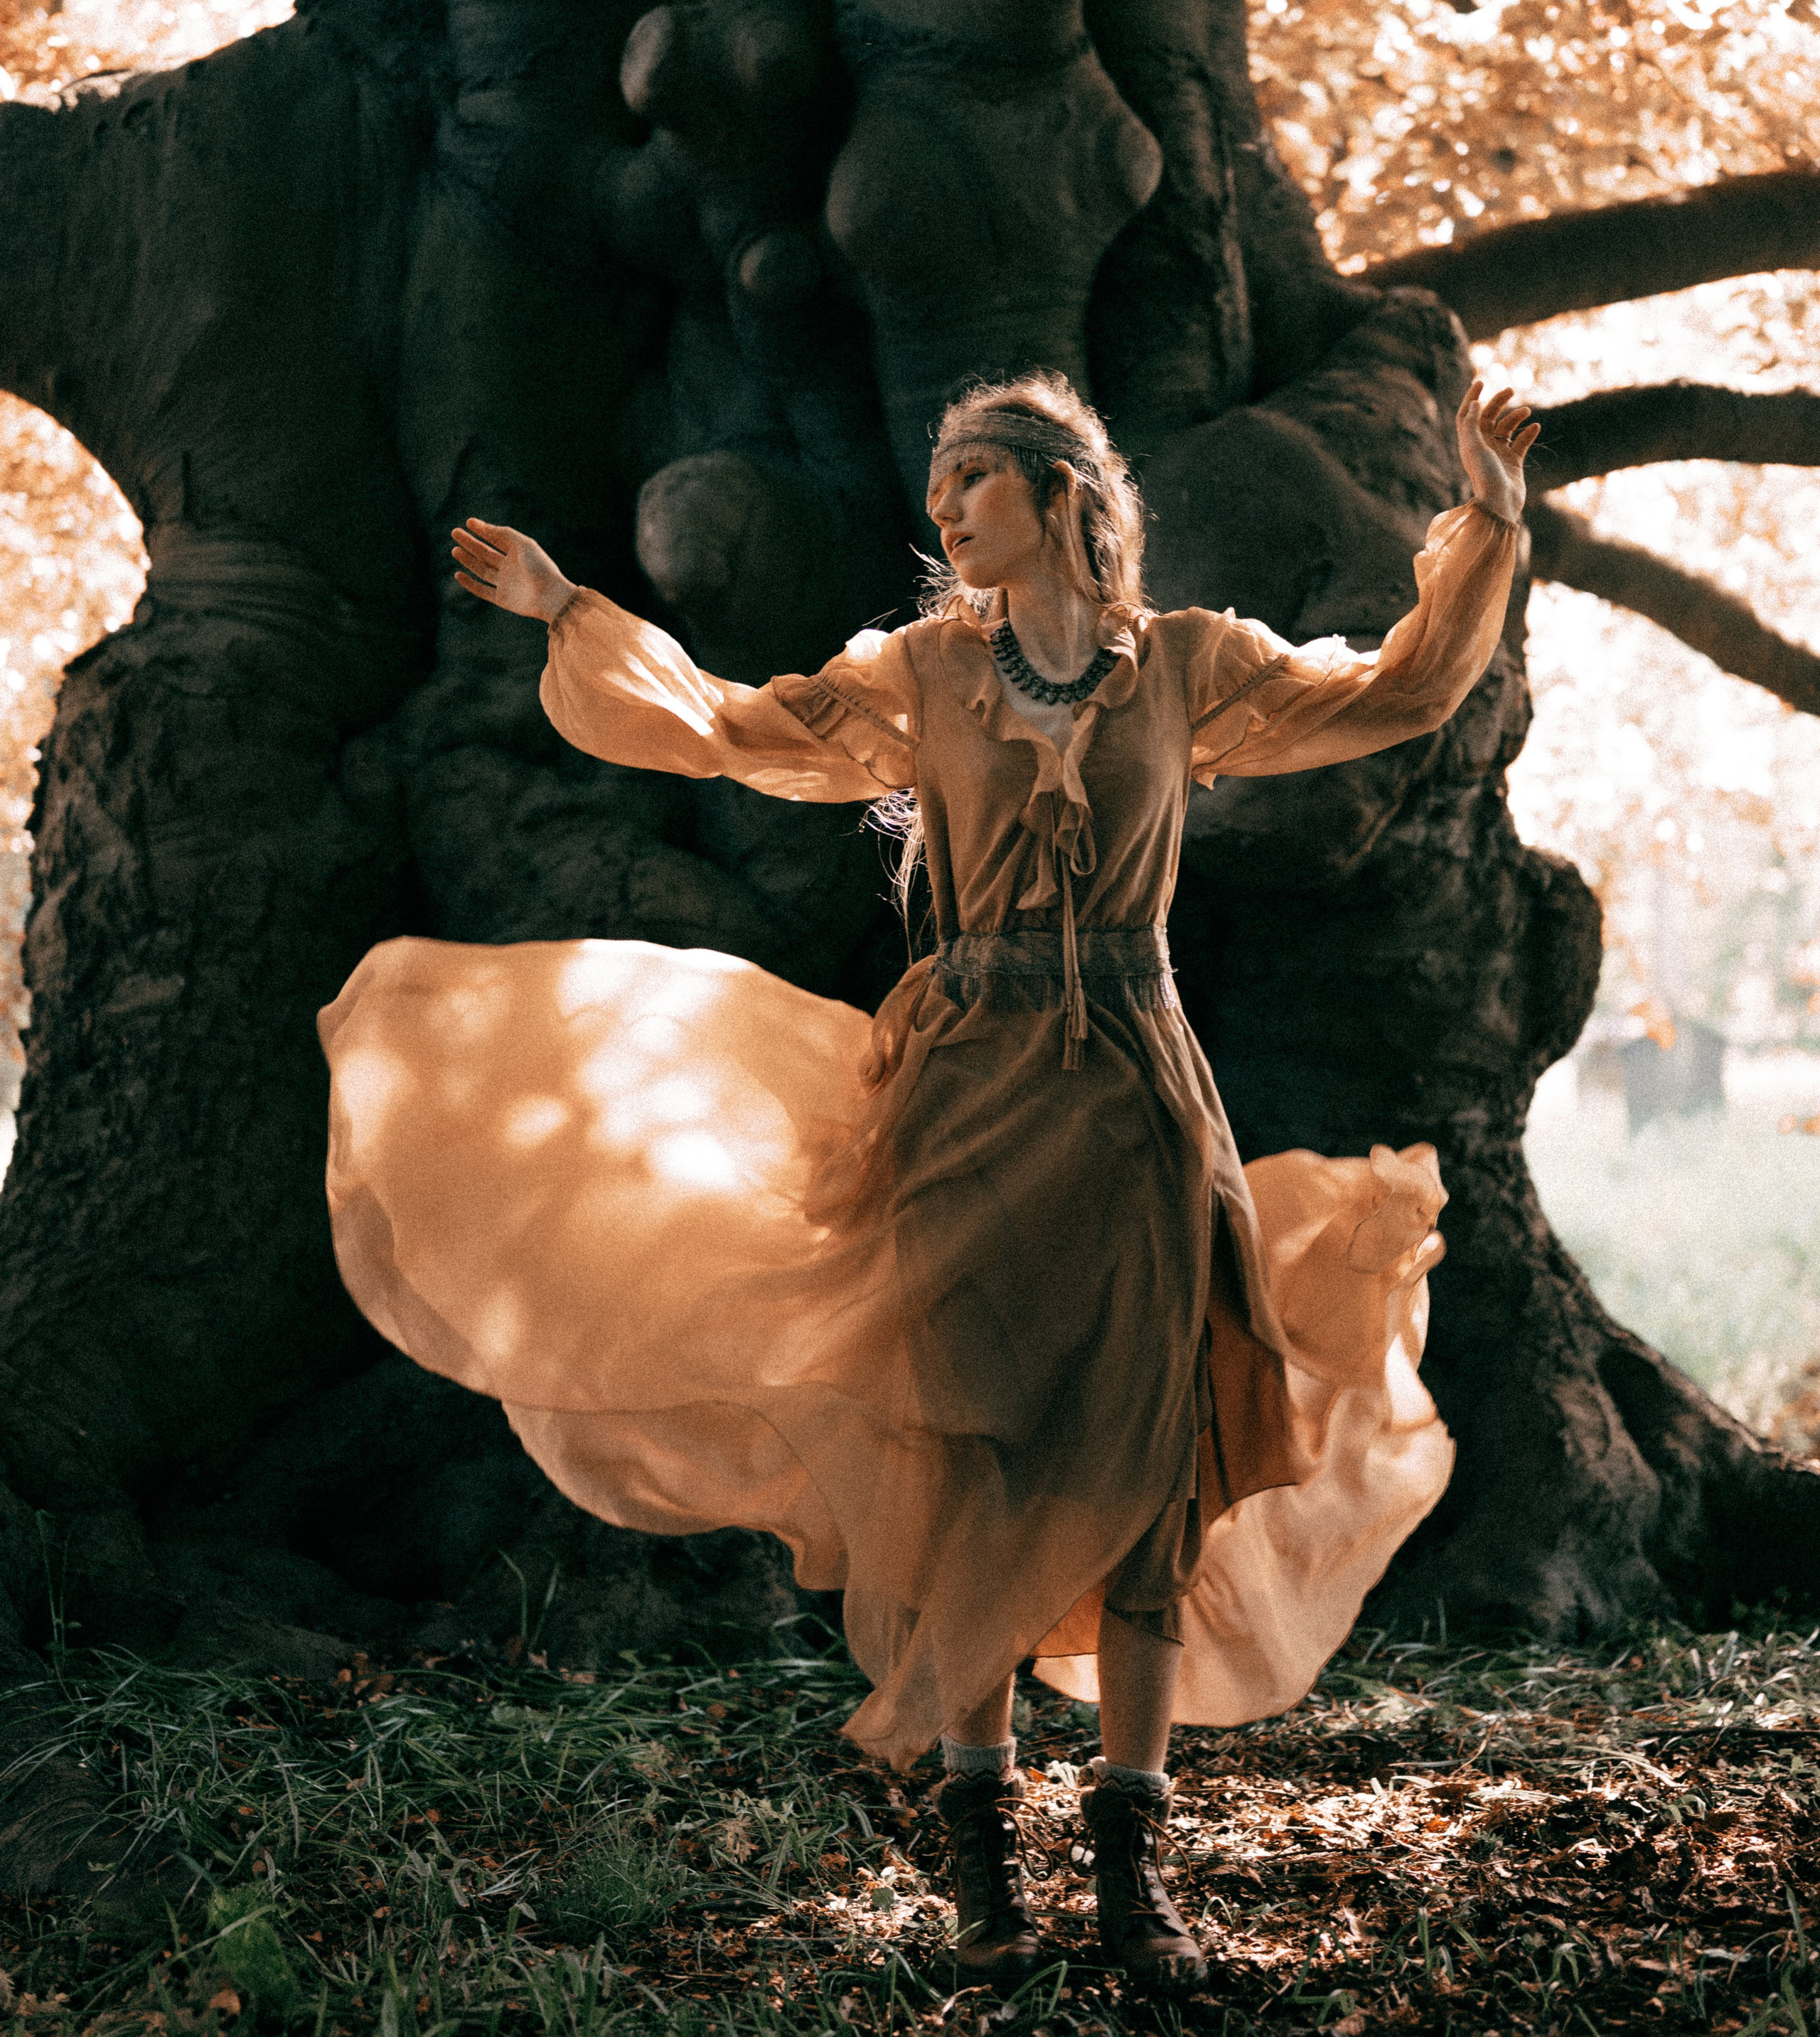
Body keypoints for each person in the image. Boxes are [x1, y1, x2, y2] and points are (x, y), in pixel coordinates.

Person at [319, 372, 1535, 1997]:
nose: (947, 507)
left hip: (1133, 1105)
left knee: (1150, 1474)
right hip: (962, 1100)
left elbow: (1390, 689)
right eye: (942, 482)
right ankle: (982, 1876)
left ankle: (1126, 1877)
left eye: (975, 478)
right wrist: (573, 613)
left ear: (1059, 494)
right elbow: (736, 729)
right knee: (969, 1465)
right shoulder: (919, 672)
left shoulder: (1187, 664)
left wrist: (1488, 527)